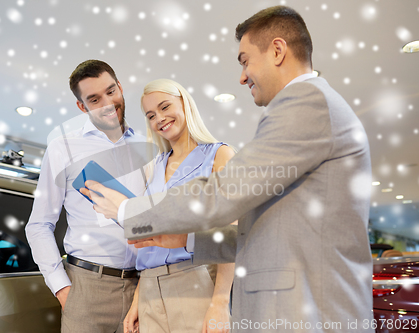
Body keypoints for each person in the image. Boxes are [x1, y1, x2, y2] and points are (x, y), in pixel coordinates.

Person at [83, 6, 374, 333]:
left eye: (245, 60)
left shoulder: (308, 101)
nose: (242, 76)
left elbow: (222, 192)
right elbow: (260, 230)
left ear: (277, 51)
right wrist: (187, 239)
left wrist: (127, 210)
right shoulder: (308, 106)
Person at [25, 60, 146, 333]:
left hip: (141, 287)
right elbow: (39, 225)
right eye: (94, 98)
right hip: (86, 287)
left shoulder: (146, 147)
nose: (108, 103)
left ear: (121, 88)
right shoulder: (63, 149)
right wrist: (62, 289)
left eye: (111, 91)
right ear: (82, 106)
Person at [122, 79, 235, 333]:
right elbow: (148, 244)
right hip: (150, 288)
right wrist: (138, 301)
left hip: (194, 282)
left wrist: (220, 302)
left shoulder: (219, 155)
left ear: (184, 103)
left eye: (164, 107)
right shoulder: (154, 168)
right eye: (151, 115)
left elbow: (232, 235)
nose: (159, 118)